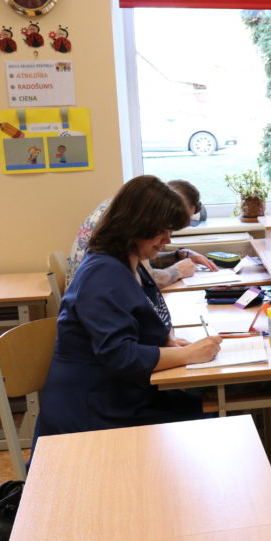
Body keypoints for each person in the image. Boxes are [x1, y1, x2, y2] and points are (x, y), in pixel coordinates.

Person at [35, 175, 222, 448]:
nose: (167, 240)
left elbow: (139, 324)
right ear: (138, 225)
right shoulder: (102, 274)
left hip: (118, 393)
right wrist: (187, 354)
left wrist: (168, 344)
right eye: (162, 231)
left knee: (211, 404)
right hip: (91, 411)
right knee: (212, 415)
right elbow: (120, 355)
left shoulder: (129, 263)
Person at [66, 178, 217, 287]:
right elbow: (149, 278)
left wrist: (179, 255)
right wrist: (178, 271)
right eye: (167, 228)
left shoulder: (124, 205)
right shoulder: (132, 220)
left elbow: (142, 261)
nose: (167, 239)